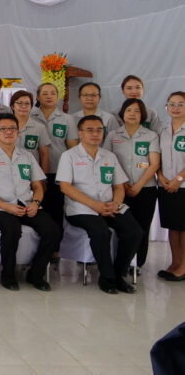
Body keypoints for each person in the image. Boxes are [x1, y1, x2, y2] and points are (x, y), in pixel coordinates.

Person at [57, 115, 141, 294]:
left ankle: (118, 275)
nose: (95, 134)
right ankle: (106, 277)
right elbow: (65, 187)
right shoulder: (69, 156)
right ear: (80, 133)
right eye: (90, 130)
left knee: (134, 232)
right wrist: (94, 205)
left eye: (99, 130)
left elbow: (118, 186)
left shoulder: (109, 156)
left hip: (109, 206)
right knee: (101, 231)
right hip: (81, 209)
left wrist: (116, 204)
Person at [0, 113, 59, 291]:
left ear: (18, 132)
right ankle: (8, 275)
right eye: (3, 129)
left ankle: (36, 274)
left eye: (12, 128)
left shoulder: (27, 156)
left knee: (52, 230)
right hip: (0, 207)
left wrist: (36, 203)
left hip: (27, 204)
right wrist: (6, 206)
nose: (8, 132)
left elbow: (37, 186)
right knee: (12, 229)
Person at [104, 99, 160, 270]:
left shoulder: (151, 136)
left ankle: (137, 264)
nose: (132, 114)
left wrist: (138, 186)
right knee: (122, 226)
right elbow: (107, 161)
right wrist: (124, 184)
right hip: (119, 190)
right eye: (129, 110)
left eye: (137, 111)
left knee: (142, 227)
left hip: (145, 189)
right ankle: (120, 261)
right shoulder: (113, 135)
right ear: (122, 114)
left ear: (143, 115)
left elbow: (154, 164)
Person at [31, 82, 79, 243]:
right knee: (35, 211)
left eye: (53, 93)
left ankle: (55, 249)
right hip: (33, 172)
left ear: (58, 97)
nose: (49, 96)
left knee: (56, 210)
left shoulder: (67, 119)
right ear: (38, 97)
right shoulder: (30, 116)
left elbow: (73, 148)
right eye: (45, 93)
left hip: (58, 172)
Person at [157, 91, 185, 281]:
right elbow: (156, 157)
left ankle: (183, 267)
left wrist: (179, 179)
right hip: (166, 186)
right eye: (172, 104)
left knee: (184, 227)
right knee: (172, 226)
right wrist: (161, 177)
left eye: (180, 104)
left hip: (183, 186)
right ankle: (175, 262)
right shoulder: (163, 130)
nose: (175, 108)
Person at [10, 90, 49, 174]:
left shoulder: (39, 127)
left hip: (31, 173)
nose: (23, 106)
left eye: (27, 103)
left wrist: (43, 177)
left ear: (31, 106)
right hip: (7, 172)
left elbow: (44, 154)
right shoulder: (4, 126)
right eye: (19, 103)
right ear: (12, 106)